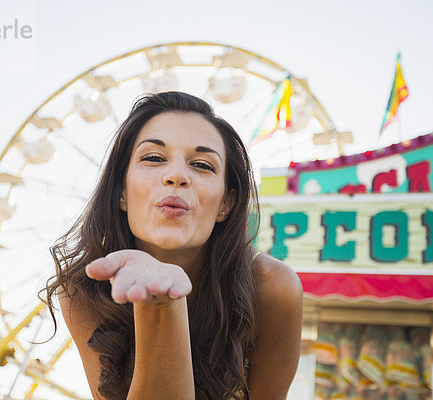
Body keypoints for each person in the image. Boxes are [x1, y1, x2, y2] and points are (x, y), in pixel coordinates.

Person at [43, 91, 303, 400]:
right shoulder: (84, 290)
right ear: (121, 193)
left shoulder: (273, 287)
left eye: (203, 165)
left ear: (226, 204)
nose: (177, 175)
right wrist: (160, 305)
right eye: (153, 158)